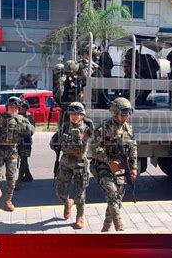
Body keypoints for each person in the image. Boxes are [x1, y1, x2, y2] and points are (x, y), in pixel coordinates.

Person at [91, 97, 138, 232]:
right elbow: (94, 149)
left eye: (127, 114)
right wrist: (109, 161)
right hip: (102, 167)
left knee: (117, 200)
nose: (125, 117)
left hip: (121, 169)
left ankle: (106, 226)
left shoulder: (129, 129)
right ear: (114, 113)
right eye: (123, 114)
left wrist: (134, 167)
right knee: (112, 193)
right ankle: (119, 228)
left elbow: (133, 149)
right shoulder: (103, 128)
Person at [0, 97, 34, 211]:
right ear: (7, 107)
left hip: (13, 151)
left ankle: (8, 200)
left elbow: (31, 130)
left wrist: (23, 127)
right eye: (11, 107)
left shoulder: (21, 119)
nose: (13, 109)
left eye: (15, 107)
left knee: (11, 176)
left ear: (18, 109)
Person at [55, 102, 93, 229]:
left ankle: (80, 216)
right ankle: (67, 202)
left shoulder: (87, 129)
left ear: (82, 115)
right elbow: (55, 141)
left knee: (80, 193)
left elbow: (93, 141)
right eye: (72, 114)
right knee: (60, 191)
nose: (74, 117)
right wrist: (55, 145)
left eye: (77, 114)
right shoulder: (65, 127)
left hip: (80, 164)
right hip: (66, 162)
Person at [53, 60, 84, 127]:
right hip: (68, 108)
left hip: (75, 108)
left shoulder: (77, 79)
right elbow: (60, 96)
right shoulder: (66, 80)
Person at [15, 100, 36, 189]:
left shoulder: (29, 117)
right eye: (21, 107)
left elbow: (31, 131)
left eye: (24, 107)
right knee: (22, 159)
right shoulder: (15, 116)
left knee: (23, 160)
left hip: (25, 142)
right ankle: (28, 175)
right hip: (16, 142)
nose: (22, 109)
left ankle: (19, 180)